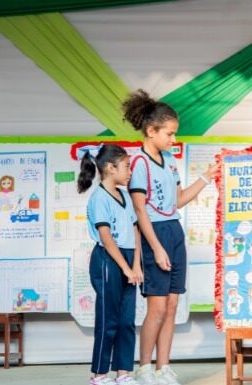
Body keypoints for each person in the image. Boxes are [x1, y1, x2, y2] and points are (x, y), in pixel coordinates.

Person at [123, 90, 218, 385]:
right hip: (155, 233)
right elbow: (139, 210)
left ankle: (164, 368)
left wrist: (206, 177)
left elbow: (176, 200)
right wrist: (156, 248)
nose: (174, 140)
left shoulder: (170, 160)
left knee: (173, 306)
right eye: (170, 134)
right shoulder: (137, 162)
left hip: (174, 230)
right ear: (151, 131)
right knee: (158, 307)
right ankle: (144, 368)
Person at [78, 144, 143, 385]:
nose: (129, 173)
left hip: (128, 259)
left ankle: (123, 372)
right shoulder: (98, 198)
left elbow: (135, 231)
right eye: (126, 167)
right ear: (109, 167)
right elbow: (106, 237)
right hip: (107, 259)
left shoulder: (125, 196)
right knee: (109, 319)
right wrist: (125, 268)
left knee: (127, 319)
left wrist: (135, 265)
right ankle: (99, 374)